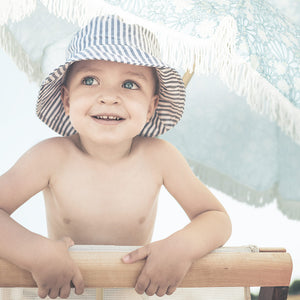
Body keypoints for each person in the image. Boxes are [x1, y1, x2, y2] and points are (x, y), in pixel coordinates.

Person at [0, 15, 231, 299]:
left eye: (130, 85)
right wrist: (34, 252)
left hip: (133, 289)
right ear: (66, 99)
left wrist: (181, 246)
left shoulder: (160, 157)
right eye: (90, 80)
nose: (109, 97)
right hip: (61, 286)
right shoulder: (51, 156)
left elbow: (216, 218)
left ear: (151, 106)